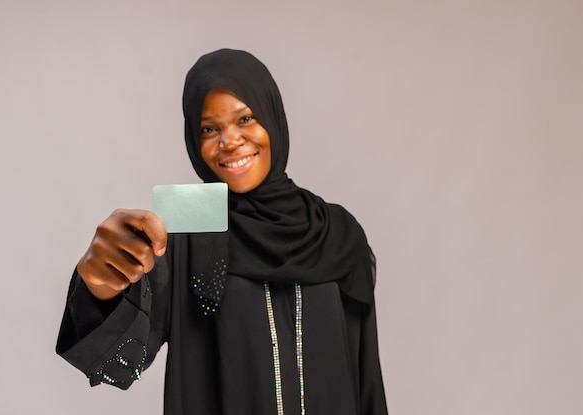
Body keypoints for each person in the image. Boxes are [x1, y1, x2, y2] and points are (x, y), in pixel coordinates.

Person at [56, 48, 388, 415]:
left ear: (272, 118)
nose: (229, 141)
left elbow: (366, 379)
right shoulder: (188, 232)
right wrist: (101, 287)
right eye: (210, 128)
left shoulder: (337, 234)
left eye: (245, 119)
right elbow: (115, 359)